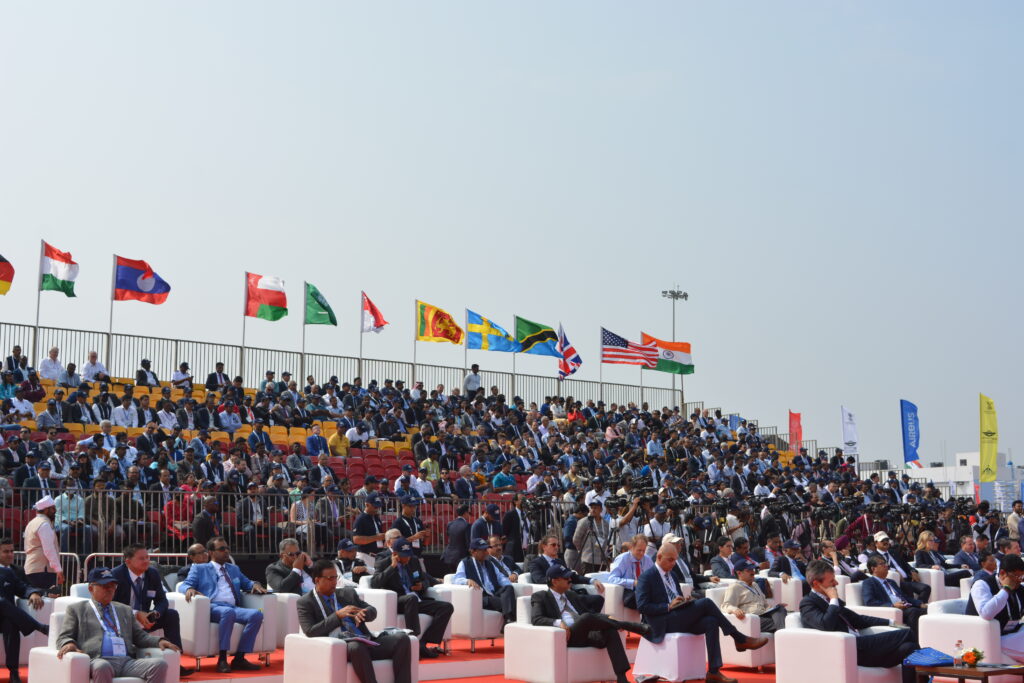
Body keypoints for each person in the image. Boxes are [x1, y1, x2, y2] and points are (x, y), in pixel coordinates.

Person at [636, 544, 768, 683]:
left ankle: (713, 672)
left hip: (677, 616)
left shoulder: (673, 575)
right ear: (659, 557)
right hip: (662, 622)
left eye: (675, 560)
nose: (673, 563)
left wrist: (684, 602)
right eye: (670, 560)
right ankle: (739, 638)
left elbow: (676, 598)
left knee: (711, 621)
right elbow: (642, 606)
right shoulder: (647, 576)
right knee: (706, 603)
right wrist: (668, 606)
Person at [800, 559, 918, 683]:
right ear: (816, 584)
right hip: (851, 649)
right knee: (908, 633)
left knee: (910, 647)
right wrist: (834, 599)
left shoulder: (830, 600)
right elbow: (826, 624)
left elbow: (859, 620)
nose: (836, 583)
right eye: (831, 581)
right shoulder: (808, 603)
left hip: (864, 648)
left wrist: (890, 622)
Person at [297, 559, 412, 683]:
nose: (334, 582)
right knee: (356, 647)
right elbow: (310, 631)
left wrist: (363, 613)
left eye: (335, 577)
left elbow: (372, 610)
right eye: (330, 578)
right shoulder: (306, 602)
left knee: (402, 639)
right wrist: (337, 616)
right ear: (317, 580)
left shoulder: (347, 593)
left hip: (365, 640)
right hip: (341, 646)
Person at [55, 567, 178, 683]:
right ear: (91, 588)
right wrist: (68, 643)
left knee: (159, 665)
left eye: (113, 586)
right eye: (105, 586)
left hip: (126, 661)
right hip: (97, 659)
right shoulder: (77, 609)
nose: (110, 589)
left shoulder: (124, 609)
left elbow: (140, 637)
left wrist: (158, 641)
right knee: (102, 666)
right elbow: (64, 636)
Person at [531, 563, 649, 683]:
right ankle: (629, 626)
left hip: (586, 633)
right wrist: (558, 622)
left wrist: (607, 618)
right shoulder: (540, 597)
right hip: (567, 636)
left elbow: (590, 614)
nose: (570, 579)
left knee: (610, 630)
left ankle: (621, 678)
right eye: (566, 578)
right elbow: (536, 619)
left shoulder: (571, 594)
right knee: (586, 617)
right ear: (555, 581)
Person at [179, 537, 268, 672]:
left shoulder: (234, 569)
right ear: (211, 552)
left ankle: (239, 658)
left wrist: (255, 585)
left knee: (256, 614)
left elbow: (247, 583)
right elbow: (183, 585)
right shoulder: (200, 568)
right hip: (213, 607)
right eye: (221, 549)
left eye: (227, 548)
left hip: (233, 607)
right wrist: (188, 589)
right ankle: (222, 659)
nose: (226, 551)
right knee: (228, 613)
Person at [111, 544, 194, 678]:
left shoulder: (152, 573)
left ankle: (175, 659)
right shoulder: (116, 575)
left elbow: (162, 600)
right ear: (128, 561)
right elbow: (111, 605)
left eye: (147, 557)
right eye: (141, 559)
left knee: (171, 615)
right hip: (123, 620)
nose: (146, 561)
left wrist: (155, 613)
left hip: (146, 619)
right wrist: (135, 613)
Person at [370, 538, 453, 660]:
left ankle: (423, 643)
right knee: (410, 599)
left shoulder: (413, 561)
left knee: (447, 607)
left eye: (409, 555)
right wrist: (392, 567)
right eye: (404, 556)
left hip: (415, 599)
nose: (407, 558)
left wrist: (422, 585)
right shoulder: (383, 563)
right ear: (395, 554)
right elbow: (375, 583)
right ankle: (412, 639)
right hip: (398, 601)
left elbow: (425, 578)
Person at [0, 538, 49, 683]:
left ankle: (13, 671)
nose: (10, 554)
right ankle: (37, 626)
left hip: (4, 616)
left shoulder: (10, 572)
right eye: (5, 551)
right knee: (1, 601)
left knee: (11, 624)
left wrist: (32, 593)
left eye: (11, 551)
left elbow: (23, 587)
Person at [967, 552, 1024, 661]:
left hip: (1010, 635)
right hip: (989, 638)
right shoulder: (982, 584)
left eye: (1021, 576)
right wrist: (1006, 589)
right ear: (1002, 573)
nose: (1019, 580)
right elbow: (986, 613)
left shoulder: (1019, 588)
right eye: (1016, 576)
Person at [529, 533, 605, 613]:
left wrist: (592, 580)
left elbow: (573, 576)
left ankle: (589, 620)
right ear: (544, 546)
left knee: (598, 599)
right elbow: (539, 580)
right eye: (553, 545)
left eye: (558, 545)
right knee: (591, 605)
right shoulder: (536, 562)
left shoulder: (559, 561)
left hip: (571, 594)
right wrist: (560, 581)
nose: (556, 547)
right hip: (558, 595)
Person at [451, 538, 516, 623]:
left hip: (494, 592)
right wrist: (467, 581)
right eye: (483, 550)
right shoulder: (465, 563)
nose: (486, 552)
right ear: (473, 552)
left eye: (486, 549)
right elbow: (456, 579)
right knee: (506, 603)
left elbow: (500, 578)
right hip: (482, 596)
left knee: (508, 588)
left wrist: (508, 586)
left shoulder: (489, 562)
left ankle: (508, 620)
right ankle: (509, 620)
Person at [861, 554, 927, 634]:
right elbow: (870, 602)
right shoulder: (869, 583)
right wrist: (892, 605)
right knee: (913, 611)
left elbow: (904, 597)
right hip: (891, 610)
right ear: (873, 568)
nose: (886, 566)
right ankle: (913, 638)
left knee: (925, 610)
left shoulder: (891, 582)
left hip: (904, 606)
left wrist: (919, 603)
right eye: (882, 564)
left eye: (886, 563)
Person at [720, 559, 787, 633]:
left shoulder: (755, 584)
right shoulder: (734, 587)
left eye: (753, 569)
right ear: (739, 573)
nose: (753, 572)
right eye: (748, 570)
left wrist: (773, 607)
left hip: (763, 614)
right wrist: (735, 610)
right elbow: (726, 605)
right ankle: (784, 636)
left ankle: (782, 635)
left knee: (780, 609)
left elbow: (765, 604)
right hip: (751, 619)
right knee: (781, 622)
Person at [873, 532, 930, 603]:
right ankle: (917, 607)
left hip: (908, 579)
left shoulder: (893, 552)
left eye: (887, 540)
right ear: (876, 543)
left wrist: (913, 571)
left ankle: (919, 607)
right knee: (907, 587)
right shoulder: (874, 556)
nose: (886, 542)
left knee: (926, 588)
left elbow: (905, 564)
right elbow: (879, 568)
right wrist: (894, 571)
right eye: (882, 541)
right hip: (895, 582)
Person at [23, 495, 63, 590]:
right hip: (43, 570)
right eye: (52, 509)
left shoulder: (32, 522)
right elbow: (49, 550)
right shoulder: (44, 524)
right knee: (45, 601)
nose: (55, 511)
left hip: (32, 568)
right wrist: (58, 569)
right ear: (45, 510)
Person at [605, 535, 654, 609]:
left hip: (644, 592)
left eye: (643, 551)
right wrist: (633, 583)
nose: (641, 553)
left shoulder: (647, 559)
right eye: (639, 550)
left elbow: (654, 576)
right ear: (632, 547)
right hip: (629, 593)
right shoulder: (622, 559)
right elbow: (612, 579)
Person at [573, 500, 612, 574]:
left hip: (601, 560)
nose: (593, 510)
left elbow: (606, 540)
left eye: (595, 508)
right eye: (591, 508)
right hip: (588, 559)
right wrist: (583, 550)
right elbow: (576, 539)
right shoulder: (584, 521)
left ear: (601, 509)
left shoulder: (605, 523)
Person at [441, 505, 472, 572]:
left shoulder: (450, 524)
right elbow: (468, 543)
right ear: (465, 513)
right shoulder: (467, 525)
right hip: (460, 557)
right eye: (468, 513)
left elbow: (449, 537)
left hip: (448, 556)